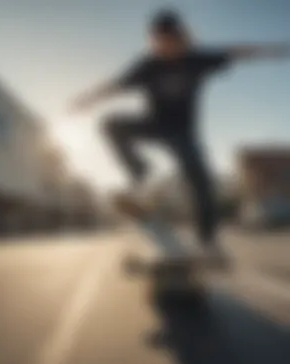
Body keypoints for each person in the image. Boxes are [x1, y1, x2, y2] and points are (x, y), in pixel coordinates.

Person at [69, 9, 290, 265]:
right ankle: (140, 172)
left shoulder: (197, 59)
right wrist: (85, 99)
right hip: (154, 125)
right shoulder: (147, 65)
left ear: (182, 38)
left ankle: (208, 242)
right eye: (160, 43)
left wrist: (279, 49)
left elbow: (241, 52)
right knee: (110, 124)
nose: (166, 48)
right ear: (154, 41)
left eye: (172, 42)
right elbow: (115, 85)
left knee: (202, 184)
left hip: (184, 134)